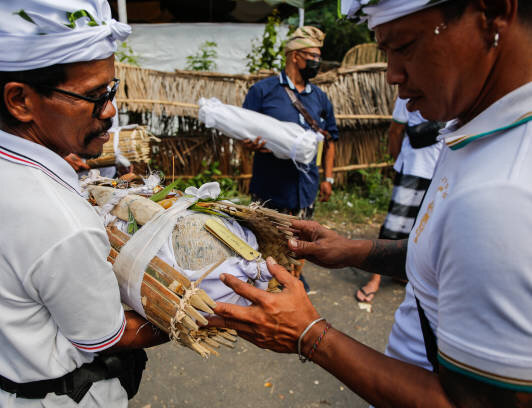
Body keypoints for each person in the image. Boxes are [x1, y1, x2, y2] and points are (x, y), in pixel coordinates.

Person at [209, 0, 532, 406]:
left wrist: (309, 335)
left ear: (493, 12)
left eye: (405, 46)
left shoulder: (505, 192)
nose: (393, 74)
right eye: (385, 52)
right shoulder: (474, 129)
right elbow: (445, 257)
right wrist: (354, 250)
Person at [0, 1, 167, 407]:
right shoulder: (61, 223)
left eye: (111, 90)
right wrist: (201, 318)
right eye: (95, 96)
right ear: (20, 100)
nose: (111, 109)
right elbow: (108, 335)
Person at [242, 26, 339, 291]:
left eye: (319, 56)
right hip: (270, 186)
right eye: (312, 56)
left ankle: (294, 278)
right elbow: (243, 133)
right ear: (295, 55)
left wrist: (328, 178)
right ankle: (269, 283)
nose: (317, 62)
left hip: (305, 187)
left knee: (301, 240)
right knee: (268, 241)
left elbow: (330, 140)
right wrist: (249, 144)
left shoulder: (320, 98)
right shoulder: (263, 92)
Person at [356, 97, 443, 303]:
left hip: (440, 171)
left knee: (423, 228)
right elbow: (395, 131)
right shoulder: (409, 93)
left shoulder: (454, 91)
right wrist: (400, 161)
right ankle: (375, 278)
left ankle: (403, 272)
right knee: (394, 226)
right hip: (414, 167)